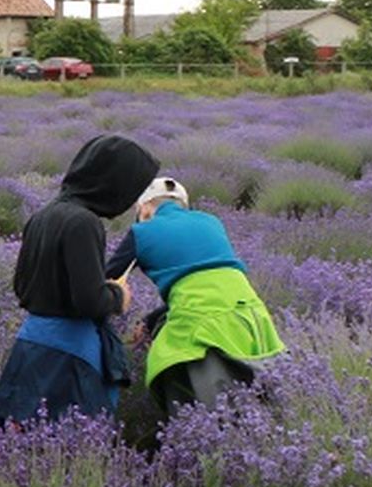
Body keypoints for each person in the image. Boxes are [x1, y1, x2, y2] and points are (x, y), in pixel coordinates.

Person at [0, 134, 158, 426]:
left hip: (31, 344)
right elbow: (90, 300)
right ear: (112, 183)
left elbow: (21, 287)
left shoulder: (43, 215)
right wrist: (118, 296)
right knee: (68, 443)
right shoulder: (83, 222)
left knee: (23, 435)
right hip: (69, 352)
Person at [107, 176, 286, 415]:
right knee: (264, 412)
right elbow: (205, 282)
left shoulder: (142, 231)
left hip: (202, 327)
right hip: (253, 317)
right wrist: (151, 321)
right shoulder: (212, 222)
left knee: (200, 412)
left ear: (145, 208)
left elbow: (104, 283)